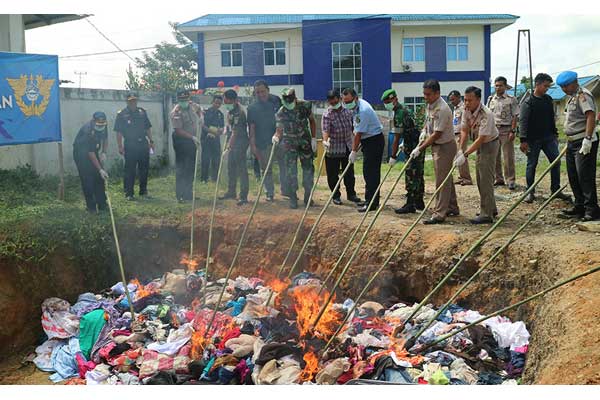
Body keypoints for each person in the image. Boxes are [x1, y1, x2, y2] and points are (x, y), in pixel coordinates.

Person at [410, 79, 459, 224]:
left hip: (444, 146)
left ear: (437, 93)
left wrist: (420, 148)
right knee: (446, 178)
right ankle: (452, 206)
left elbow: (437, 133)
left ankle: (439, 213)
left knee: (441, 181)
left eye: (428, 94)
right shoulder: (430, 105)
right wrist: (423, 132)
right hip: (436, 145)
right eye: (424, 94)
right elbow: (427, 123)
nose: (426, 97)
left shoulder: (442, 109)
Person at [519, 73, 571, 204]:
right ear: (537, 84)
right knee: (532, 165)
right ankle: (530, 192)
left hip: (549, 138)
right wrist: (523, 140)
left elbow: (551, 118)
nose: (547, 88)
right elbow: (523, 122)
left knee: (556, 162)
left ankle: (556, 190)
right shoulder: (528, 102)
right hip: (532, 140)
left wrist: (555, 134)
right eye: (545, 86)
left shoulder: (548, 99)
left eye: (548, 86)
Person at [557, 70, 600, 221]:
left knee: (585, 176)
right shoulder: (571, 97)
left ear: (575, 82)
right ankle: (580, 205)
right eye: (562, 87)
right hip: (572, 141)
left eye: (566, 86)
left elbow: (590, 116)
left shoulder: (583, 95)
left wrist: (588, 139)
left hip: (583, 141)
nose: (564, 89)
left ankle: (592, 209)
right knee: (573, 175)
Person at [454, 86, 499, 224]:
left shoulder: (487, 114)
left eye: (470, 100)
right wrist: (461, 149)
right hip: (479, 143)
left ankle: (487, 214)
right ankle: (491, 208)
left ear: (478, 99)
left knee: (485, 178)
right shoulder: (466, 111)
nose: (467, 103)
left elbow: (481, 138)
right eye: (465, 100)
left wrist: (466, 154)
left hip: (490, 144)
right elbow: (464, 130)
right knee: (480, 178)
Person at [381, 88, 425, 214]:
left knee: (411, 174)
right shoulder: (406, 109)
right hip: (419, 144)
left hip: (412, 147)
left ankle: (410, 204)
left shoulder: (399, 113)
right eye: (385, 102)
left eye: (388, 101)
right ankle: (419, 202)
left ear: (395, 99)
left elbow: (396, 137)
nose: (387, 104)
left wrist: (393, 156)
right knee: (419, 173)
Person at [272, 88, 317, 209]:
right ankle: (293, 197)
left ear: (295, 98)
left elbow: (312, 121)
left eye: (290, 101)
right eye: (286, 102)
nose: (288, 104)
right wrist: (276, 137)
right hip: (289, 142)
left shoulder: (305, 105)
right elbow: (279, 129)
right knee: (291, 170)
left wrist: (313, 138)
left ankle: (308, 196)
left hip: (304, 141)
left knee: (308, 168)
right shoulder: (281, 111)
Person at [342, 88, 384, 213]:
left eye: (349, 101)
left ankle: (371, 203)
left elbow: (358, 134)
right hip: (368, 140)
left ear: (355, 98)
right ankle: (371, 201)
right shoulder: (355, 108)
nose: (347, 104)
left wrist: (353, 151)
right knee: (369, 173)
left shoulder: (363, 110)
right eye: (345, 101)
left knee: (370, 173)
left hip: (374, 141)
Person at [321, 89, 361, 205]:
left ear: (339, 99)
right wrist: (325, 141)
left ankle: (351, 194)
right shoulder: (327, 114)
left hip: (347, 146)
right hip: (333, 148)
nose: (333, 104)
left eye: (335, 101)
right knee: (333, 174)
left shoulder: (348, 111)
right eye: (331, 103)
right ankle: (336, 195)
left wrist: (356, 141)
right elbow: (325, 129)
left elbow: (354, 127)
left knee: (349, 173)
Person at [247, 80, 285, 202]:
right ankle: (269, 192)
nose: (261, 94)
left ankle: (286, 189)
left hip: (280, 138)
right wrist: (253, 145)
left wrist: (278, 135)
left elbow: (282, 119)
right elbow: (251, 128)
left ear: (268, 90)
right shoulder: (252, 108)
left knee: (284, 165)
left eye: (263, 91)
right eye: (257, 92)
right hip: (263, 142)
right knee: (266, 168)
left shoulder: (276, 100)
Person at [114, 92, 154, 200]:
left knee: (144, 169)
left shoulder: (142, 112)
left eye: (134, 100)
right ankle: (129, 193)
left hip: (143, 144)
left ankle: (143, 191)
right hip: (130, 144)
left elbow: (148, 128)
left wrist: (151, 141)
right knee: (130, 170)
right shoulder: (121, 114)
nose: (133, 102)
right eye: (131, 101)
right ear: (127, 101)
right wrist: (120, 146)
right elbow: (118, 132)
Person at [170, 89, 203, 203]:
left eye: (185, 99)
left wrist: (201, 117)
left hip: (192, 140)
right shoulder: (176, 112)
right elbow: (178, 130)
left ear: (189, 99)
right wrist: (192, 138)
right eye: (181, 100)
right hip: (181, 141)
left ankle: (189, 194)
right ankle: (180, 195)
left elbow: (199, 110)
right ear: (178, 100)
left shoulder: (192, 105)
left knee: (190, 167)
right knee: (182, 168)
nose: (184, 101)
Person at [73, 111, 109, 213]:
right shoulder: (87, 131)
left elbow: (105, 138)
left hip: (93, 151)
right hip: (81, 154)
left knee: (99, 179)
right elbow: (90, 153)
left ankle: (102, 204)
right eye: (99, 124)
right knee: (88, 179)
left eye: (102, 124)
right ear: (93, 121)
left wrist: (104, 152)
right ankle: (91, 207)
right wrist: (100, 169)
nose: (101, 126)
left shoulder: (103, 125)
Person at [487, 76, 519, 190]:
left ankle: (510, 180)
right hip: (494, 130)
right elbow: (488, 115)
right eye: (496, 85)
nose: (498, 87)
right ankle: (498, 178)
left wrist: (513, 130)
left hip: (506, 130)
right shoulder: (491, 99)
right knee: (495, 156)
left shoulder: (511, 99)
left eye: (500, 85)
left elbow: (515, 116)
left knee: (508, 156)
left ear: (505, 86)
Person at [220, 89, 250, 206]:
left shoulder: (239, 112)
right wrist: (224, 130)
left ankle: (243, 196)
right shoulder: (231, 111)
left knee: (241, 169)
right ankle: (231, 192)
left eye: (226, 101)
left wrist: (228, 148)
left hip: (240, 142)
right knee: (231, 167)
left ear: (233, 100)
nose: (224, 103)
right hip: (233, 142)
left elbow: (235, 132)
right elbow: (230, 127)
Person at [449, 90, 473, 185]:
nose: (452, 101)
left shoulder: (464, 108)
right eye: (450, 100)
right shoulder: (455, 108)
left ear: (459, 97)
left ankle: (467, 178)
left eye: (453, 99)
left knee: (461, 155)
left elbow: (466, 122)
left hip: (461, 134)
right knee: (457, 156)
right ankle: (462, 176)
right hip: (455, 134)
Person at [200, 95, 224, 183]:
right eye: (216, 102)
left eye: (219, 103)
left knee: (216, 159)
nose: (217, 105)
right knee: (205, 159)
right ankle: (204, 178)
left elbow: (222, 127)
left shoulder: (220, 114)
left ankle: (215, 178)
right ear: (212, 102)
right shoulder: (205, 112)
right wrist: (212, 131)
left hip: (216, 139)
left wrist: (220, 131)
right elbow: (202, 126)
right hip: (206, 139)